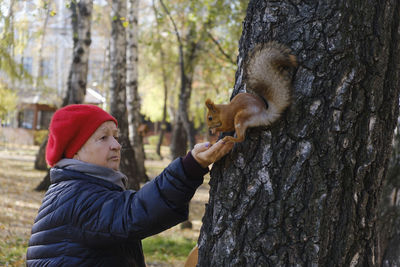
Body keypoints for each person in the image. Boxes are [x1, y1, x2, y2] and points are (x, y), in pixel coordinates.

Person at [26, 104, 233, 267]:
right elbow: (135, 213)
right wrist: (189, 167)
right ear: (75, 151)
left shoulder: (81, 188)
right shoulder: (75, 196)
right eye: (103, 138)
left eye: (115, 136)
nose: (116, 145)